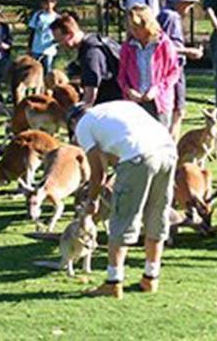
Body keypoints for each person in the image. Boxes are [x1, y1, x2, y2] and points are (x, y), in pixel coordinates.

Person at [68, 101, 177, 299]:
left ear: (74, 121)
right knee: (156, 214)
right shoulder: (117, 108)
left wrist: (92, 200)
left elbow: (98, 174)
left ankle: (113, 282)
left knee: (123, 217)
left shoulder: (84, 125)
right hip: (168, 151)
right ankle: (151, 277)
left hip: (139, 156)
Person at [118, 5, 181, 128]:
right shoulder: (127, 47)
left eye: (137, 28)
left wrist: (157, 89)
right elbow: (121, 75)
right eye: (131, 28)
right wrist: (128, 90)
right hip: (135, 102)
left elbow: (173, 72)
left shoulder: (164, 44)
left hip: (158, 102)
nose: (134, 31)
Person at [157, 0, 204, 138]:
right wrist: (188, 51)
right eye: (189, 4)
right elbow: (161, 46)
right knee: (177, 112)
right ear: (181, 2)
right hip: (171, 70)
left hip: (176, 69)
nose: (190, 8)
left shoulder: (170, 15)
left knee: (179, 111)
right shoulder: (170, 17)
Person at [50, 12, 123, 106]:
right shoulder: (96, 39)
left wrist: (81, 113)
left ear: (71, 34)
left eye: (60, 40)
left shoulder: (90, 54)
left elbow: (90, 94)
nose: (60, 44)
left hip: (110, 104)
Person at [27, 0, 60, 74]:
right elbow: (32, 31)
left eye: (51, 2)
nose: (49, 5)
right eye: (46, 3)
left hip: (49, 50)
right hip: (36, 48)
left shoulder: (57, 18)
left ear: (55, 3)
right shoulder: (38, 15)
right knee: (34, 71)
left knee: (48, 72)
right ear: (42, 4)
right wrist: (29, 46)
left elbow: (60, 35)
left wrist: (55, 42)